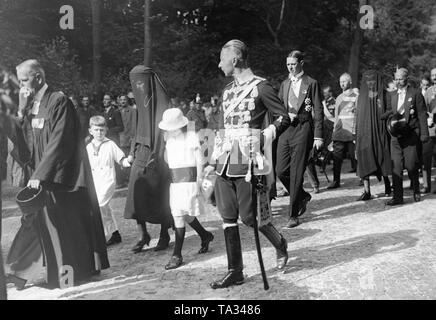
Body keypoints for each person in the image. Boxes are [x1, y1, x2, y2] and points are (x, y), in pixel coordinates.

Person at [5, 59, 109, 289]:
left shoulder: (58, 101)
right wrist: (20, 112)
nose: (21, 85)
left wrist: (41, 174)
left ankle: (69, 275)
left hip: (62, 176)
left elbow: (60, 141)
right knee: (36, 222)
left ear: (38, 78)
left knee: (62, 227)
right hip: (41, 175)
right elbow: (24, 147)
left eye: (24, 80)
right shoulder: (32, 104)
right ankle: (18, 272)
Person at [204, 40, 290, 289]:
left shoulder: (261, 87)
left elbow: (284, 117)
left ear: (235, 60)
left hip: (247, 158)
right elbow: (221, 127)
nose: (219, 64)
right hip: (224, 160)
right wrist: (212, 160)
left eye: (222, 59)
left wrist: (264, 136)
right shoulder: (227, 91)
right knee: (227, 216)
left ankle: (280, 243)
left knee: (250, 217)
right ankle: (235, 271)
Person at [124, 66, 173, 254]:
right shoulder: (139, 104)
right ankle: (142, 234)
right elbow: (137, 130)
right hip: (140, 153)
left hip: (160, 154)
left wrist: (159, 155)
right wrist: (132, 152)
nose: (137, 86)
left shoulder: (164, 102)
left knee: (161, 194)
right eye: (134, 83)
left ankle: (164, 234)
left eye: (140, 82)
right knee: (135, 193)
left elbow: (170, 131)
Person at [158, 108, 214, 270]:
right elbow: (168, 161)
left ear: (180, 125)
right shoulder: (169, 140)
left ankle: (177, 254)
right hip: (175, 182)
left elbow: (199, 161)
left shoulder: (191, 137)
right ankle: (205, 235)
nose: (171, 131)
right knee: (182, 214)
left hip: (189, 181)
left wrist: (198, 181)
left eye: (173, 127)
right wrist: (165, 143)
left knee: (182, 215)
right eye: (168, 128)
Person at [277, 50, 324, 228]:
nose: (290, 67)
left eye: (293, 64)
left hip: (304, 129)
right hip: (286, 129)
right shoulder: (284, 84)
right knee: (281, 170)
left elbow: (318, 110)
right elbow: (279, 107)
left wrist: (318, 136)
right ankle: (303, 196)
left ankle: (293, 214)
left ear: (301, 63)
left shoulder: (311, 83)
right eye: (288, 64)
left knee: (297, 172)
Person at [382, 68, 429, 205]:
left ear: (406, 78)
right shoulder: (392, 95)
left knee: (411, 165)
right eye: (395, 79)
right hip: (396, 136)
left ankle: (415, 188)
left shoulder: (416, 94)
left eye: (400, 79)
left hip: (411, 136)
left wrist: (424, 134)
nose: (397, 81)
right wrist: (382, 116)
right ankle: (398, 198)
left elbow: (421, 115)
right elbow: (392, 111)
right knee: (396, 167)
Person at [86, 116, 132, 246]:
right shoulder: (88, 147)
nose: (99, 133)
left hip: (108, 180)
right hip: (95, 182)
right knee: (105, 208)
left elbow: (121, 159)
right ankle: (115, 234)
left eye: (102, 130)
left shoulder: (110, 144)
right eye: (96, 130)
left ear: (106, 130)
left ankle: (98, 236)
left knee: (99, 205)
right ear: (91, 131)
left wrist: (128, 161)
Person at [355, 70, 392, 200]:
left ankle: (388, 185)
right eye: (368, 80)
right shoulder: (361, 97)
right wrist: (357, 135)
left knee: (383, 158)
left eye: (372, 80)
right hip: (365, 134)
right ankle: (366, 190)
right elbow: (358, 116)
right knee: (364, 159)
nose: (370, 82)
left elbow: (390, 110)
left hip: (381, 132)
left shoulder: (385, 95)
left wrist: (382, 116)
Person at [327, 73, 358, 189]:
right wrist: (334, 133)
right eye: (341, 82)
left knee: (356, 156)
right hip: (340, 132)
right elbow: (336, 117)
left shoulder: (356, 96)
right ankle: (336, 180)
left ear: (350, 82)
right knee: (336, 158)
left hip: (352, 131)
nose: (342, 84)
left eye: (344, 81)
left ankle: (362, 179)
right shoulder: (339, 97)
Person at [422, 68, 436, 193]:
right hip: (431, 130)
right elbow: (423, 109)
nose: (434, 77)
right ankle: (426, 185)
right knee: (426, 158)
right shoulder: (428, 91)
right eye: (432, 75)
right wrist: (428, 117)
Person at [118, 94, 136, 187]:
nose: (123, 101)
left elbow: (134, 125)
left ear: (127, 100)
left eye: (124, 99)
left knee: (130, 158)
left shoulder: (133, 110)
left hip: (129, 138)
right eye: (121, 100)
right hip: (121, 139)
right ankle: (124, 180)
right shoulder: (118, 111)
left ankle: (130, 179)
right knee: (122, 158)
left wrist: (132, 137)